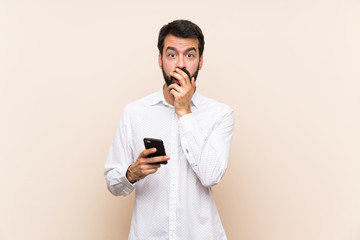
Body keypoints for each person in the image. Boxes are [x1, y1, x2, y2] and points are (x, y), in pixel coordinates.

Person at [104, 19, 234, 240]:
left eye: (190, 55)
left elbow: (211, 175)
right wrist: (132, 173)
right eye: (172, 55)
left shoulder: (220, 114)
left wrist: (184, 112)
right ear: (160, 59)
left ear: (201, 61)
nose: (180, 64)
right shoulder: (134, 113)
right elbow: (113, 183)